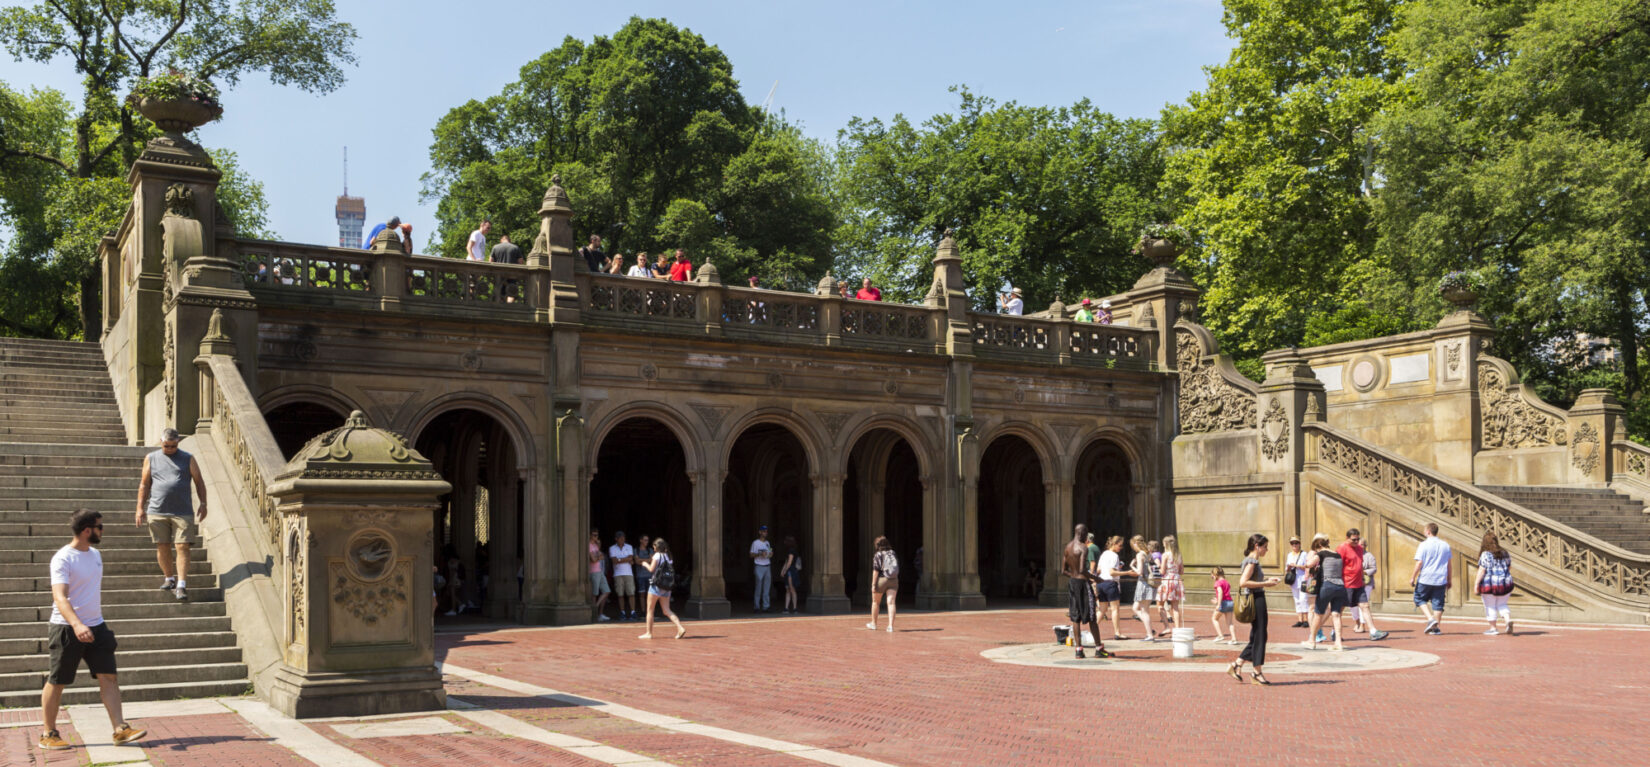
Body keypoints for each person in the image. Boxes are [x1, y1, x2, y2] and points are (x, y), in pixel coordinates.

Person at [37, 509, 147, 751]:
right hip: (66, 628)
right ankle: (49, 733)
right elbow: (60, 597)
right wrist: (77, 624)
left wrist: (90, 624)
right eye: (100, 527)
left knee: (109, 676)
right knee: (57, 681)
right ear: (87, 530)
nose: (102, 530)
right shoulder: (63, 558)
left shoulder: (96, 554)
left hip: (97, 626)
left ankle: (120, 729)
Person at [135, 428, 206, 601]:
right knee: (162, 545)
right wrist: (140, 508)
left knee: (182, 546)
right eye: (166, 446)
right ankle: (169, 578)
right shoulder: (151, 458)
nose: (169, 449)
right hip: (157, 510)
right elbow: (144, 485)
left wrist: (203, 503)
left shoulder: (188, 458)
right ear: (161, 442)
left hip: (182, 511)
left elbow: (199, 481)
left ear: (178, 443)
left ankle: (181, 584)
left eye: (173, 446)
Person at [1229, 534, 1281, 685]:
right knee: (1260, 636)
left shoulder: (1250, 560)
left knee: (1258, 636)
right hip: (1256, 599)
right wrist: (1266, 584)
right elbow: (1243, 582)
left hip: (1257, 597)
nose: (1267, 550)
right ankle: (1256, 673)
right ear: (1257, 546)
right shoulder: (1252, 561)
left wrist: (1267, 581)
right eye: (1265, 547)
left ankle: (1238, 664)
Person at [1060, 525, 1111, 659]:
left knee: (1075, 618)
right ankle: (1099, 648)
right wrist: (1096, 578)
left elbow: (1063, 570)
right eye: (1086, 534)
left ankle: (1078, 650)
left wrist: (1073, 576)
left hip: (1072, 584)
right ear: (1082, 533)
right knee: (1092, 617)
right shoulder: (1083, 548)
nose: (1086, 537)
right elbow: (1082, 569)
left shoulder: (1068, 547)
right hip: (1083, 584)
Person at [1341, 528, 1389, 640]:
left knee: (1365, 606)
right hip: (1348, 583)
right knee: (1340, 608)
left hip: (1361, 583)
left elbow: (1368, 567)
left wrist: (1362, 574)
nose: (1357, 542)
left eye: (1358, 540)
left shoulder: (1361, 551)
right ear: (1347, 538)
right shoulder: (1342, 549)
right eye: (1354, 539)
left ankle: (1373, 631)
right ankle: (1332, 631)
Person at [1301, 533, 1347, 651]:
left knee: (1318, 613)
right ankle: (1338, 643)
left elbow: (1309, 564)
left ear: (1319, 544)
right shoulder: (1338, 555)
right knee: (1336, 614)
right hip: (1340, 586)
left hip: (1327, 585)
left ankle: (1312, 641)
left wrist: (1304, 564)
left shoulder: (1321, 554)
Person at [637, 537, 686, 639]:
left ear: (657, 547)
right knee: (666, 610)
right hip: (666, 586)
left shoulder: (657, 555)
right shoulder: (668, 556)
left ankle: (649, 633)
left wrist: (645, 564)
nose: (653, 547)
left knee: (650, 610)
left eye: (654, 546)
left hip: (656, 586)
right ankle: (680, 627)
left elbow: (651, 569)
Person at [1411, 522, 1452, 635]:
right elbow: (1449, 564)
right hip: (1440, 578)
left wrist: (1413, 577)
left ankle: (1430, 619)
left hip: (1426, 577)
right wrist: (1449, 579)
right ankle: (1436, 628)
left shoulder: (1423, 545)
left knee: (1419, 598)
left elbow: (1419, 562)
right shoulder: (1445, 545)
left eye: (1425, 531)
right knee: (1438, 603)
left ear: (1428, 532)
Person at [1475, 532, 1514, 635]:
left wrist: (1476, 585)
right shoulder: (1505, 552)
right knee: (1502, 604)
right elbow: (1509, 567)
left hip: (1489, 584)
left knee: (1490, 606)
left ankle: (1493, 628)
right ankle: (1507, 620)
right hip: (1505, 583)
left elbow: (1482, 570)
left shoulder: (1485, 554)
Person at [1095, 535, 1133, 640]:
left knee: (1102, 609)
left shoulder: (1104, 554)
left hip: (1101, 583)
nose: (1120, 548)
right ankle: (1117, 633)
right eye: (1120, 545)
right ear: (1114, 544)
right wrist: (1127, 572)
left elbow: (1098, 570)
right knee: (1115, 609)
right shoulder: (1114, 555)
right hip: (1110, 583)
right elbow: (1112, 572)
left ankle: (1092, 630)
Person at [864, 536, 901, 632]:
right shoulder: (893, 553)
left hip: (882, 579)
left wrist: (873, 585)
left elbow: (876, 571)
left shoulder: (878, 555)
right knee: (891, 602)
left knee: (876, 602)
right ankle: (890, 626)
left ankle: (873, 623)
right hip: (893, 580)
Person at [1127, 535, 1157, 640]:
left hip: (1143, 584)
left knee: (1144, 611)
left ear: (1135, 544)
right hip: (1149, 584)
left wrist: (1132, 566)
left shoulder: (1140, 554)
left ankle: (1149, 634)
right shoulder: (1148, 554)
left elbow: (1139, 572)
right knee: (1135, 608)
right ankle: (1149, 629)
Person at [608, 531, 637, 621]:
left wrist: (619, 559)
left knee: (631, 593)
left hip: (628, 573)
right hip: (618, 574)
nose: (622, 539)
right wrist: (626, 559)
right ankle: (622, 612)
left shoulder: (629, 547)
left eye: (623, 538)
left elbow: (631, 558)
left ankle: (633, 612)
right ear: (616, 539)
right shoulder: (612, 548)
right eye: (620, 538)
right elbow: (614, 561)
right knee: (620, 594)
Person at [1284, 536, 1311, 628]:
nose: (1294, 545)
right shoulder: (1289, 555)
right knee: (1297, 600)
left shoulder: (1304, 554)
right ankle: (1300, 620)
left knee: (1303, 599)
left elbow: (1307, 566)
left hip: (1303, 579)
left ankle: (1306, 620)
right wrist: (1289, 567)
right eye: (1292, 543)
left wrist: (1297, 565)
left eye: (1296, 543)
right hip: (1294, 580)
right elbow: (1286, 569)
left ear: (1299, 544)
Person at [1159, 535, 1185, 628]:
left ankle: (1167, 627)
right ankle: (1177, 628)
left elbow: (1162, 571)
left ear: (1165, 544)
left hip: (1168, 579)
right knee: (1175, 607)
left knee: (1160, 604)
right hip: (1177, 580)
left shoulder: (1165, 555)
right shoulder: (1178, 555)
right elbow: (1182, 571)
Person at [588, 529, 611, 622]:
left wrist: (598, 545)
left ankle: (597, 609)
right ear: (590, 535)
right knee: (595, 593)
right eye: (594, 535)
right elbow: (593, 559)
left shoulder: (595, 545)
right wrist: (598, 557)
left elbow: (601, 555)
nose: (596, 537)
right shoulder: (589, 545)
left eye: (597, 535)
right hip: (593, 571)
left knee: (606, 591)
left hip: (600, 571)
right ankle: (594, 614)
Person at [1209, 566, 1237, 644]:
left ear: (1216, 574)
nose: (1212, 577)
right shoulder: (1226, 582)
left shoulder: (1218, 583)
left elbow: (1220, 592)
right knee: (1230, 622)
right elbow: (1225, 593)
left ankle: (1220, 635)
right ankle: (1234, 639)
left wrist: (1218, 604)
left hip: (1223, 603)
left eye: (1212, 575)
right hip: (1230, 602)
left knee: (1214, 618)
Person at [750, 525, 774, 613]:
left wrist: (770, 554)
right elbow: (751, 554)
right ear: (760, 532)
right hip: (759, 565)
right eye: (764, 531)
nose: (765, 533)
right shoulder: (755, 543)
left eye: (766, 531)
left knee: (767, 588)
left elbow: (770, 551)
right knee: (758, 587)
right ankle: (756, 606)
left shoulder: (768, 543)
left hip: (767, 565)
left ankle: (766, 606)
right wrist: (760, 554)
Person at [779, 535, 802, 614]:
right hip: (790, 571)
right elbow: (786, 562)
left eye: (786, 541)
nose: (784, 542)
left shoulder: (791, 551)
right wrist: (783, 570)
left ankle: (794, 608)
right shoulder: (790, 550)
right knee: (788, 590)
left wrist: (784, 571)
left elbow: (789, 562)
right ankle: (787, 608)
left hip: (791, 571)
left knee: (791, 589)